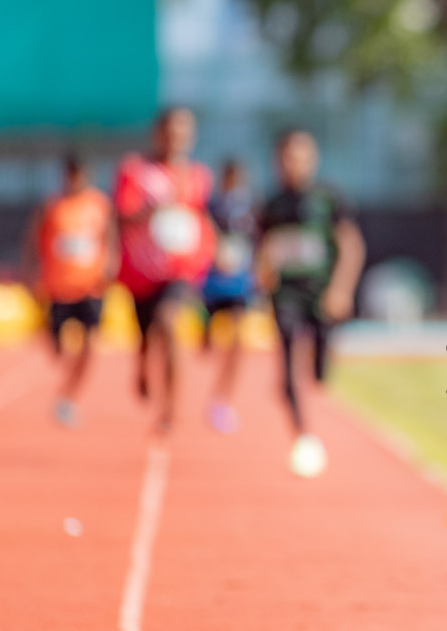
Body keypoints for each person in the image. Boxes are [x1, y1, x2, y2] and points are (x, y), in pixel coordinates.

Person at [256, 129, 365, 478]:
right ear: (277, 162)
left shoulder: (327, 199)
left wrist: (341, 289)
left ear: (313, 159)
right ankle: (302, 432)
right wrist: (262, 277)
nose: (294, 164)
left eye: (301, 156)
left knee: (319, 374)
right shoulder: (271, 204)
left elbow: (351, 244)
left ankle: (318, 368)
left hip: (321, 295)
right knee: (286, 356)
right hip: (285, 293)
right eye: (287, 157)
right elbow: (263, 247)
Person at [113, 106, 216, 434]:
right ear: (158, 133)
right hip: (141, 272)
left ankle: (170, 410)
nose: (177, 138)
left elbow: (202, 218)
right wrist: (147, 212)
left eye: (184, 131)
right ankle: (142, 362)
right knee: (146, 334)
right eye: (171, 130)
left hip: (181, 270)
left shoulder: (198, 177)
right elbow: (121, 216)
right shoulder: (135, 170)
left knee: (170, 323)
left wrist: (216, 247)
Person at [23, 154, 116, 428]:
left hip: (90, 286)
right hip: (57, 287)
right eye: (70, 174)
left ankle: (69, 396)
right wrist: (30, 273)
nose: (75, 179)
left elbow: (109, 237)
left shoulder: (99, 204)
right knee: (56, 347)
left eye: (80, 174)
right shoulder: (51, 206)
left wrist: (111, 265)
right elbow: (32, 240)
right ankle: (67, 376)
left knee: (89, 343)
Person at [202, 159, 257, 434]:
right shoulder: (210, 207)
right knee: (206, 346)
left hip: (238, 285)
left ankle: (222, 399)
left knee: (237, 341)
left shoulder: (250, 210)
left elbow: (258, 243)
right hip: (211, 285)